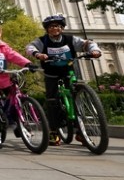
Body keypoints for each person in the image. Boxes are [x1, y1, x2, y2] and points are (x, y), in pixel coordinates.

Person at [25, 14, 101, 146]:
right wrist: (38, 54)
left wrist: (94, 50)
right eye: (51, 27)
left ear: (62, 28)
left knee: (76, 100)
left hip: (69, 73)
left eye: (58, 26)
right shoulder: (42, 41)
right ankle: (54, 131)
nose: (55, 29)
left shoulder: (70, 39)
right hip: (51, 75)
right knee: (52, 101)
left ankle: (81, 132)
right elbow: (30, 47)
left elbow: (87, 44)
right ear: (47, 29)